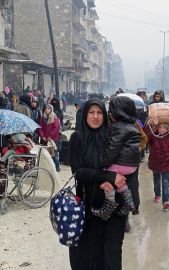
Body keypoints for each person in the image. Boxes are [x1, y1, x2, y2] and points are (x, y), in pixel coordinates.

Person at [69, 99, 129, 270]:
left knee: (110, 256)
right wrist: (109, 176)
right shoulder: (77, 138)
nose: (96, 117)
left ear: (105, 115)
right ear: (85, 114)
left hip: (112, 207)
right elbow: (79, 172)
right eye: (91, 112)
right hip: (86, 208)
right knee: (85, 256)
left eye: (99, 113)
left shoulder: (112, 137)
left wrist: (115, 182)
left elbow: (128, 165)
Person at [91, 96, 140, 221]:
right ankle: (128, 201)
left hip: (121, 164)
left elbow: (112, 149)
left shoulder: (118, 128)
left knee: (106, 178)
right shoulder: (133, 126)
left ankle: (108, 207)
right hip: (132, 166)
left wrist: (103, 164)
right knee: (119, 182)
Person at [145, 122, 169, 210]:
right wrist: (149, 125)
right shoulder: (153, 136)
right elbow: (148, 140)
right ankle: (157, 194)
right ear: (157, 128)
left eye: (164, 128)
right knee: (157, 180)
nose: (162, 130)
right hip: (155, 162)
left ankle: (166, 201)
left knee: (165, 183)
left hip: (167, 163)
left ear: (168, 129)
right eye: (160, 128)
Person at [38, 104, 62, 171]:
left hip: (53, 139)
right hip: (45, 139)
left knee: (54, 153)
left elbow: (56, 128)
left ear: (51, 110)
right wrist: (42, 136)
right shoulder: (43, 118)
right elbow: (40, 128)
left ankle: (57, 166)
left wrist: (50, 136)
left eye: (48, 109)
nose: (47, 110)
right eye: (46, 108)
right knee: (46, 153)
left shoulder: (54, 117)